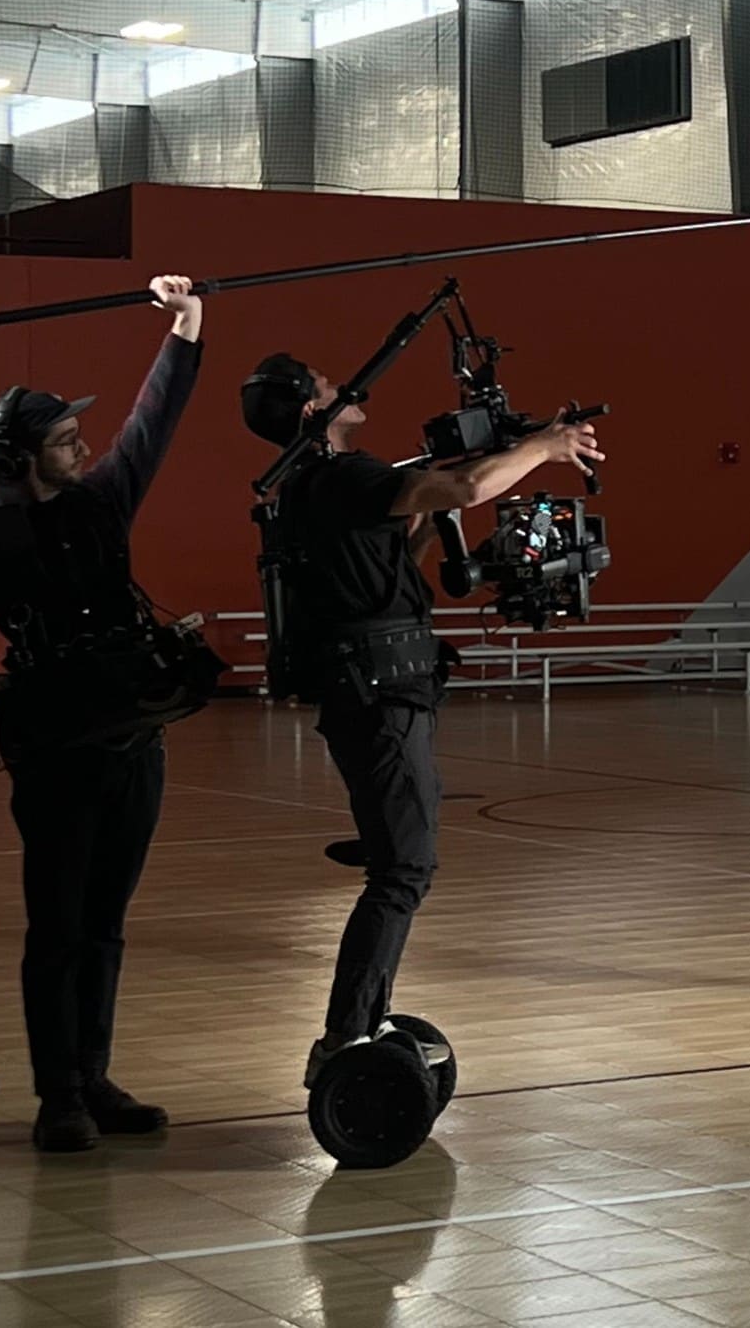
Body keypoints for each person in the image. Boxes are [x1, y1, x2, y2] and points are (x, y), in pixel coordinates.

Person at [0, 276, 205, 1151]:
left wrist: (185, 328)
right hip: (55, 749)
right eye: (62, 439)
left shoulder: (102, 504)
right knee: (56, 925)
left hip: (132, 740)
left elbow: (150, 426)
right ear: (21, 455)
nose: (82, 445)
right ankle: (59, 1095)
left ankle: (94, 1077)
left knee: (105, 923)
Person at [239, 353, 603, 1088]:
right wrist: (543, 448)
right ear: (312, 412)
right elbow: (468, 487)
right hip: (379, 699)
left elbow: (391, 556)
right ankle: (344, 1039)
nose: (346, 388)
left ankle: (364, 1020)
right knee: (403, 870)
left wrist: (431, 507)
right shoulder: (342, 476)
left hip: (375, 693)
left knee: (402, 857)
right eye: (328, 385)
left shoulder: (314, 488)